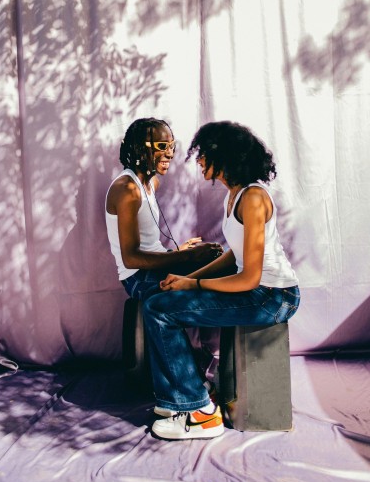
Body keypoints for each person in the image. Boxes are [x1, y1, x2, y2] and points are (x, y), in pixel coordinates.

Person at [142, 120, 300, 440]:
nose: (198, 161)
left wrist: (193, 285)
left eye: (203, 155)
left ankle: (199, 412)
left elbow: (249, 277)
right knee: (154, 302)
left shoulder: (253, 198)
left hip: (273, 297)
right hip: (258, 291)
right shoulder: (234, 195)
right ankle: (178, 400)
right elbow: (233, 255)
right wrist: (186, 277)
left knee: (161, 310)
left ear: (224, 157)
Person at [105, 118, 223, 399]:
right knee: (209, 274)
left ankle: (207, 364)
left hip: (155, 266)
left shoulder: (151, 184)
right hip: (137, 279)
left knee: (219, 263)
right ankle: (195, 377)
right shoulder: (127, 189)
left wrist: (180, 253)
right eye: (161, 146)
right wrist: (186, 258)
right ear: (139, 148)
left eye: (171, 146)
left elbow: (151, 245)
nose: (170, 152)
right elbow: (131, 258)